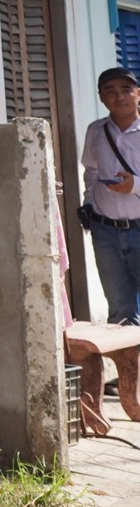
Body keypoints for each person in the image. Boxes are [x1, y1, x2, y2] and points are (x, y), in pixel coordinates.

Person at [85, 67, 140, 326]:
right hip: (106, 233)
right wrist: (89, 205)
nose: (119, 97)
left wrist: (134, 185)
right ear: (101, 97)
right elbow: (92, 171)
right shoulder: (96, 131)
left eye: (126, 90)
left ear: (138, 94)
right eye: (110, 91)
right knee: (120, 313)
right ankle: (131, 367)